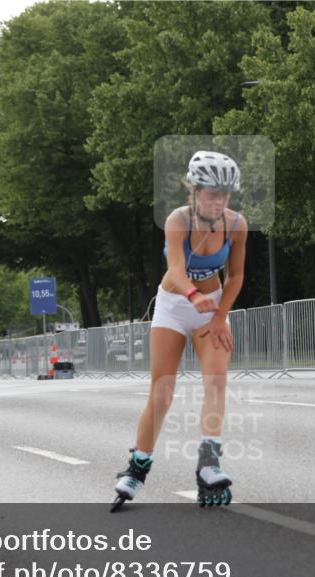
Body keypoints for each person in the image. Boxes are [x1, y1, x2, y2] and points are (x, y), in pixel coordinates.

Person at [112, 151, 247, 511]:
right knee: (162, 392)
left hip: (212, 308)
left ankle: (209, 464)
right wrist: (191, 295)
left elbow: (236, 276)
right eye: (212, 193)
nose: (219, 201)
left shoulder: (236, 224)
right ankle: (137, 467)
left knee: (216, 382)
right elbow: (175, 268)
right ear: (194, 189)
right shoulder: (177, 220)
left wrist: (219, 316)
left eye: (225, 194)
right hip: (174, 304)